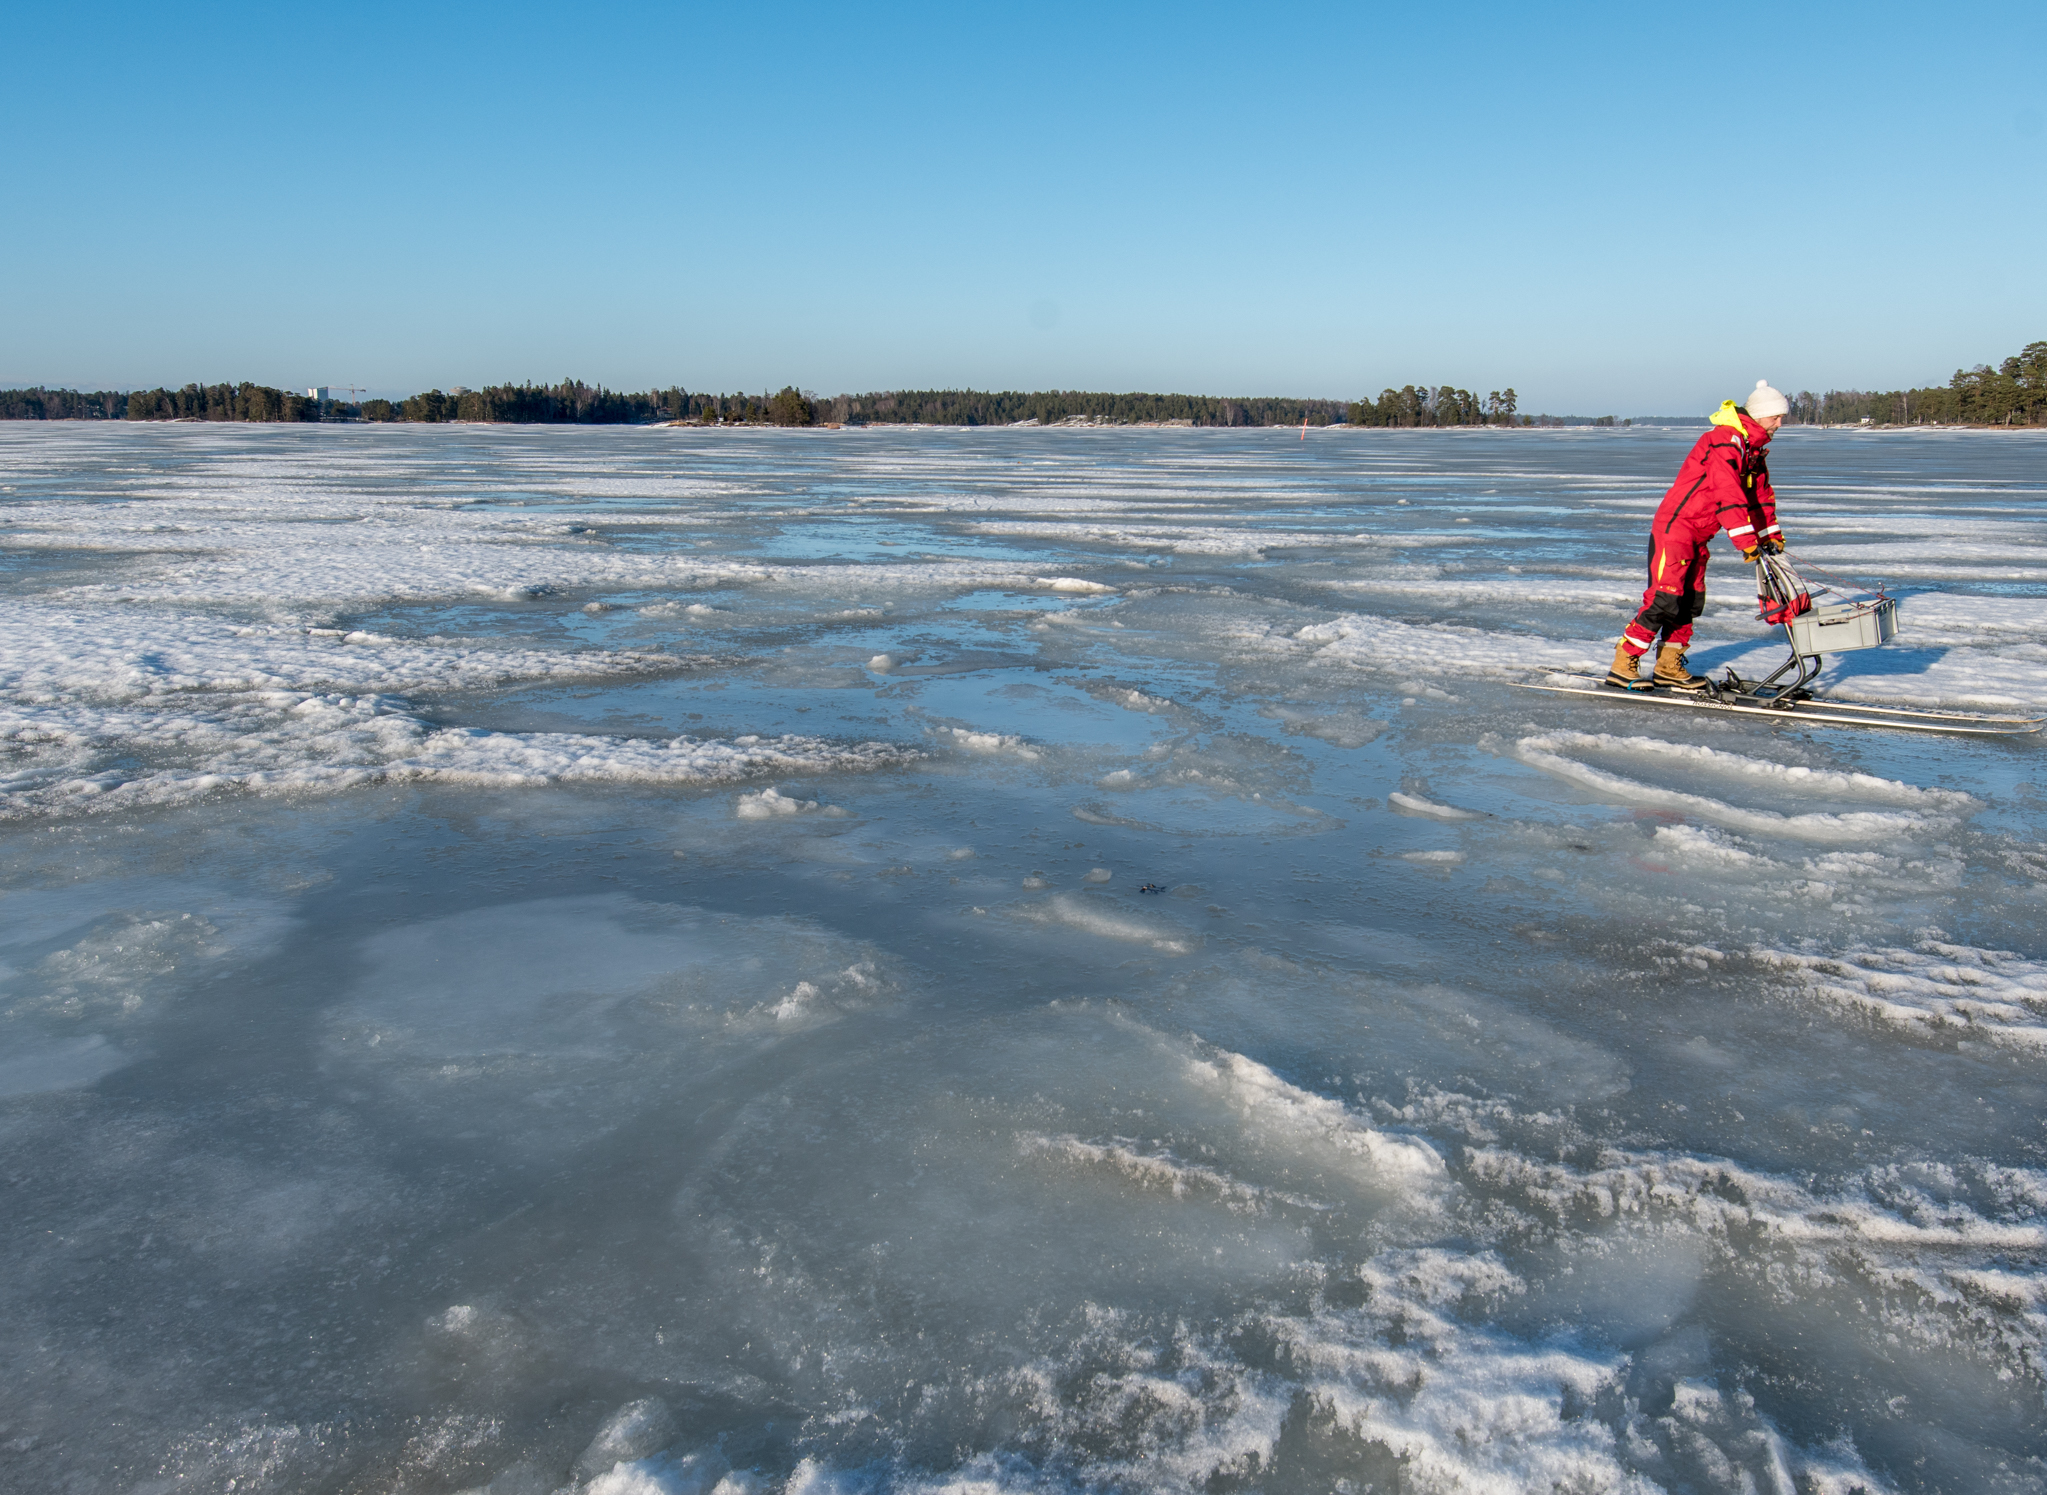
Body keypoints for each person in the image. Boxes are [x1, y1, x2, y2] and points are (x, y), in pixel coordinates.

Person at [1606, 380, 1790, 691]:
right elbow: (1727, 492)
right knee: (1665, 598)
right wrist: (1746, 541)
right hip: (1676, 528)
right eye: (1775, 417)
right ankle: (1625, 660)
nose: (1780, 424)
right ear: (1759, 415)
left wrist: (1770, 536)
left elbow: (1760, 497)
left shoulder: (1752, 450)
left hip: (1700, 534)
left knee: (1689, 601)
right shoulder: (1725, 441)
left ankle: (1668, 665)